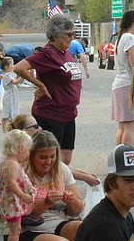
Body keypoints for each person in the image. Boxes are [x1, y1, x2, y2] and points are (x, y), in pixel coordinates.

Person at [10, 15, 86, 166]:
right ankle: (47, 187)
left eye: (73, 34)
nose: (72, 38)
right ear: (55, 35)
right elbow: (19, 68)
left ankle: (57, 185)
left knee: (65, 157)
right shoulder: (47, 54)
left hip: (68, 113)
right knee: (51, 159)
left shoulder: (66, 53)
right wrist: (40, 85)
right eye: (68, 34)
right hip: (52, 112)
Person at [0, 130, 36, 241]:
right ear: (20, 149)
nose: (28, 153)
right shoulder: (13, 164)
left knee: (15, 226)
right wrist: (22, 195)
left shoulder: (7, 162)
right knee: (15, 229)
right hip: (11, 202)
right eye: (28, 150)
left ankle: (26, 215)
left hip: (7, 201)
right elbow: (12, 183)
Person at [111, 10, 134, 147]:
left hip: (121, 85)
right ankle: (131, 161)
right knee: (132, 127)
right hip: (130, 86)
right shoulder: (131, 39)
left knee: (124, 126)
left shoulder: (122, 38)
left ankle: (121, 160)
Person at [0, 56, 23, 132]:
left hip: (12, 95)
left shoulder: (7, 75)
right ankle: (6, 130)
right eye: (12, 65)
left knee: (10, 113)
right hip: (9, 97)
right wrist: (23, 75)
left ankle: (9, 130)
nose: (13, 66)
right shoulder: (7, 75)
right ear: (6, 67)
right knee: (8, 114)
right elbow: (15, 82)